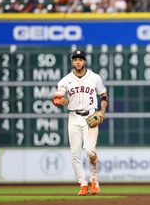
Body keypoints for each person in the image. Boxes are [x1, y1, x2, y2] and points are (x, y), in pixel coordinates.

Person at [52, 50, 108, 196]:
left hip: (90, 116)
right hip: (74, 117)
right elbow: (56, 98)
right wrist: (59, 101)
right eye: (75, 59)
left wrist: (102, 111)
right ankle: (83, 184)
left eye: (80, 59)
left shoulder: (94, 77)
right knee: (75, 154)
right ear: (72, 62)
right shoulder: (65, 80)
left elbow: (104, 95)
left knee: (90, 150)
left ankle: (94, 180)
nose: (78, 62)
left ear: (85, 62)